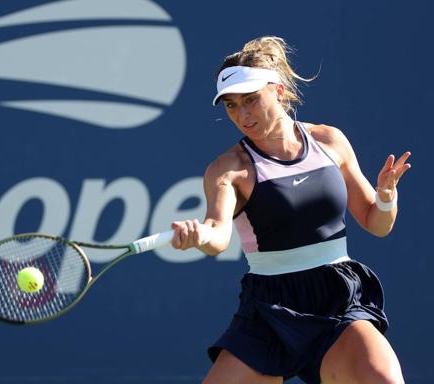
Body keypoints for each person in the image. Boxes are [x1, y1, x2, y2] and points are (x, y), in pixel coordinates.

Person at [171, 36, 411, 384]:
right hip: (269, 310)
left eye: (250, 100)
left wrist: (387, 195)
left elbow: (377, 222)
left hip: (338, 299)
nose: (242, 114)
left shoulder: (330, 141)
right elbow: (218, 235)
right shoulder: (229, 169)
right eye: (231, 105)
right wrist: (199, 235)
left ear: (279, 91)